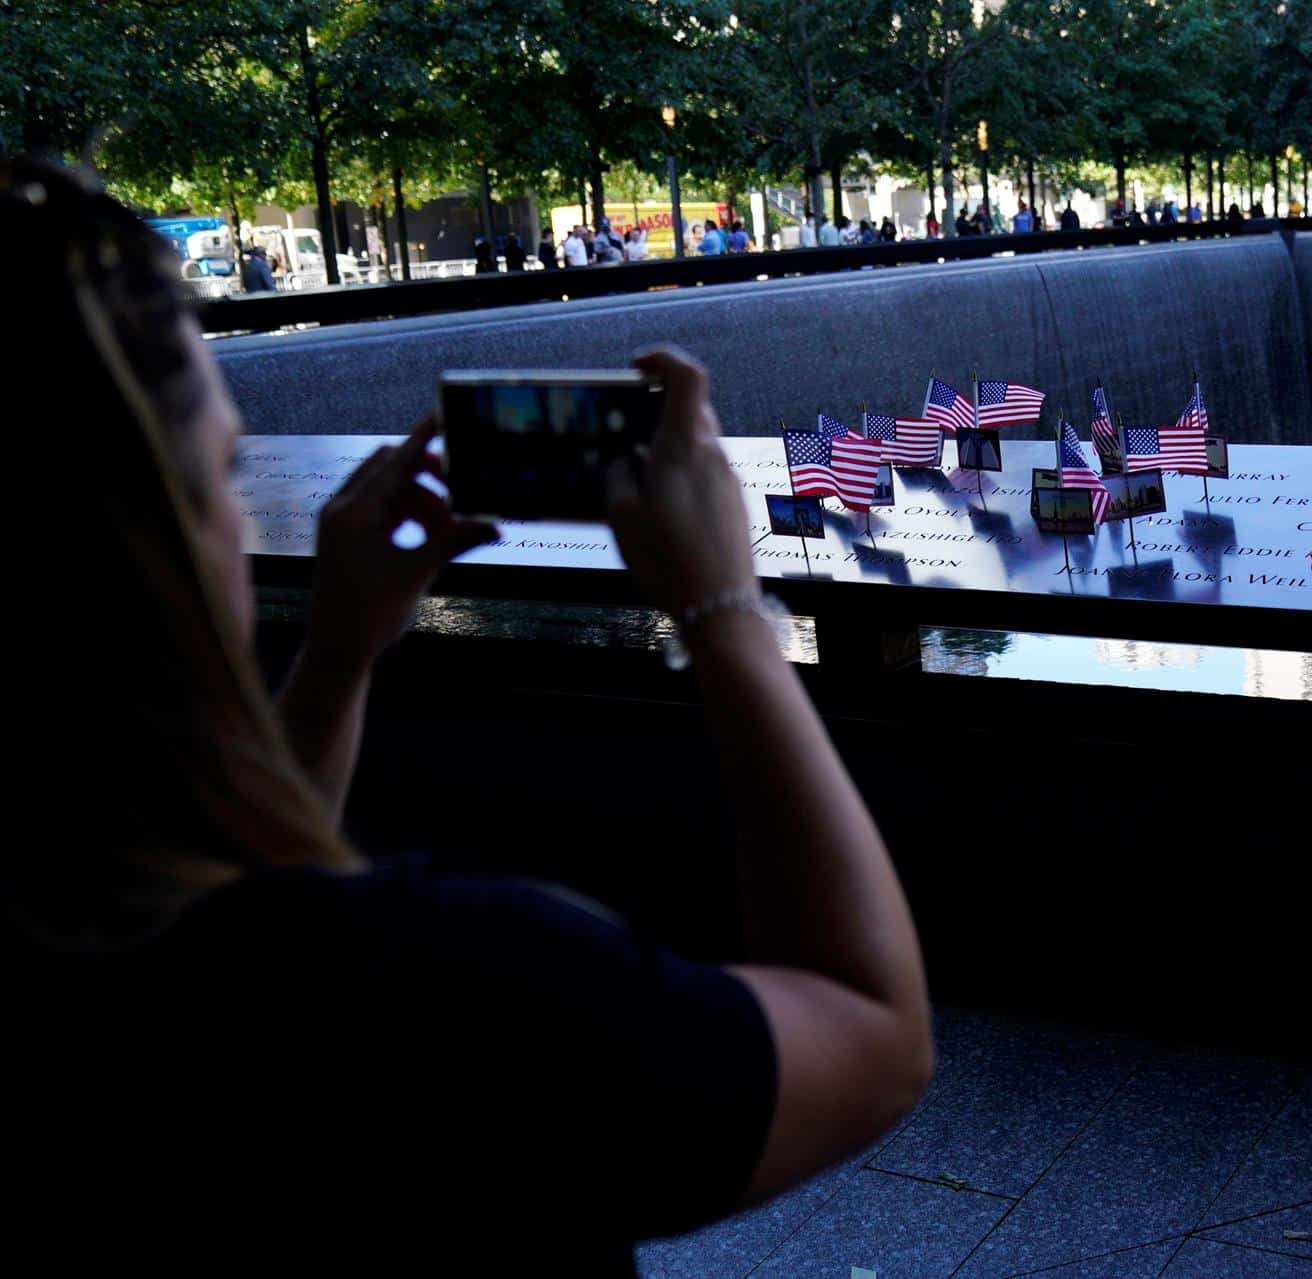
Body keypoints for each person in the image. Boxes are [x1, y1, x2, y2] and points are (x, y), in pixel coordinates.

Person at [5, 155, 933, 1275]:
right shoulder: (443, 995)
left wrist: (343, 648)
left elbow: (229, 876)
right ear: (147, 551)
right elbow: (875, 1036)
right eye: (219, 473)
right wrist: (725, 609)